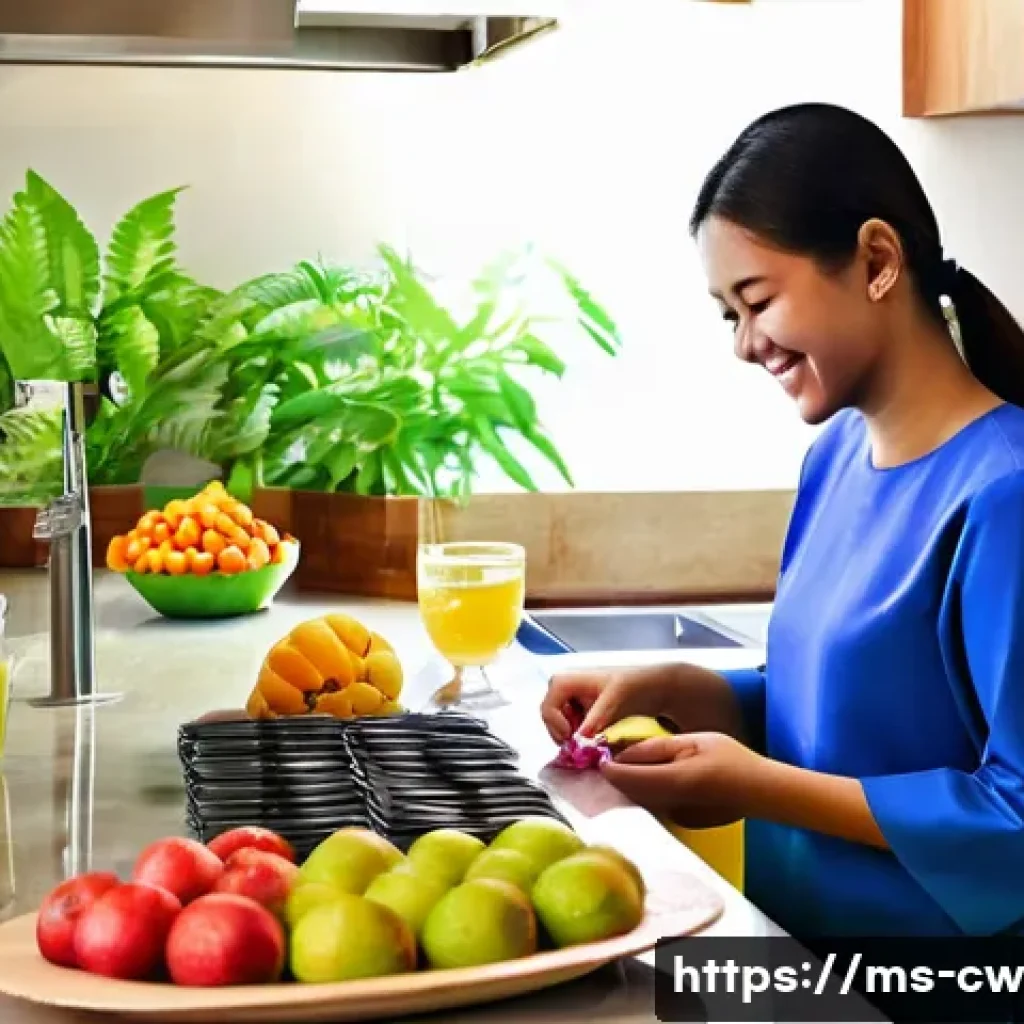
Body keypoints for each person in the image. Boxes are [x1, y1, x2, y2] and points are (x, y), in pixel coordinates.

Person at [540, 102, 1024, 940]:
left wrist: (752, 785)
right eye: (729, 313)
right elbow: (859, 716)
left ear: (877, 260)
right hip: (799, 963)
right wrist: (689, 694)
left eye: (756, 301)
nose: (742, 342)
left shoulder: (1006, 495)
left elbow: (1014, 817)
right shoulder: (833, 459)